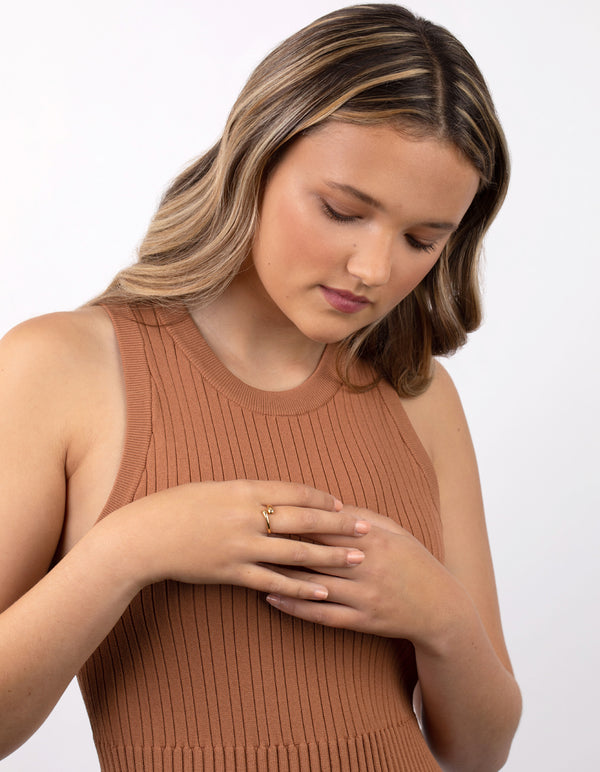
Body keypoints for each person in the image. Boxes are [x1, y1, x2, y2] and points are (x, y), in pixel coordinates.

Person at [0, 4, 522, 770]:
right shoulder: (63, 367)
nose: (374, 270)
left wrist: (441, 615)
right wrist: (129, 549)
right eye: (343, 211)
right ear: (255, 159)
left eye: (421, 240)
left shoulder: (419, 393)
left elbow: (478, 754)